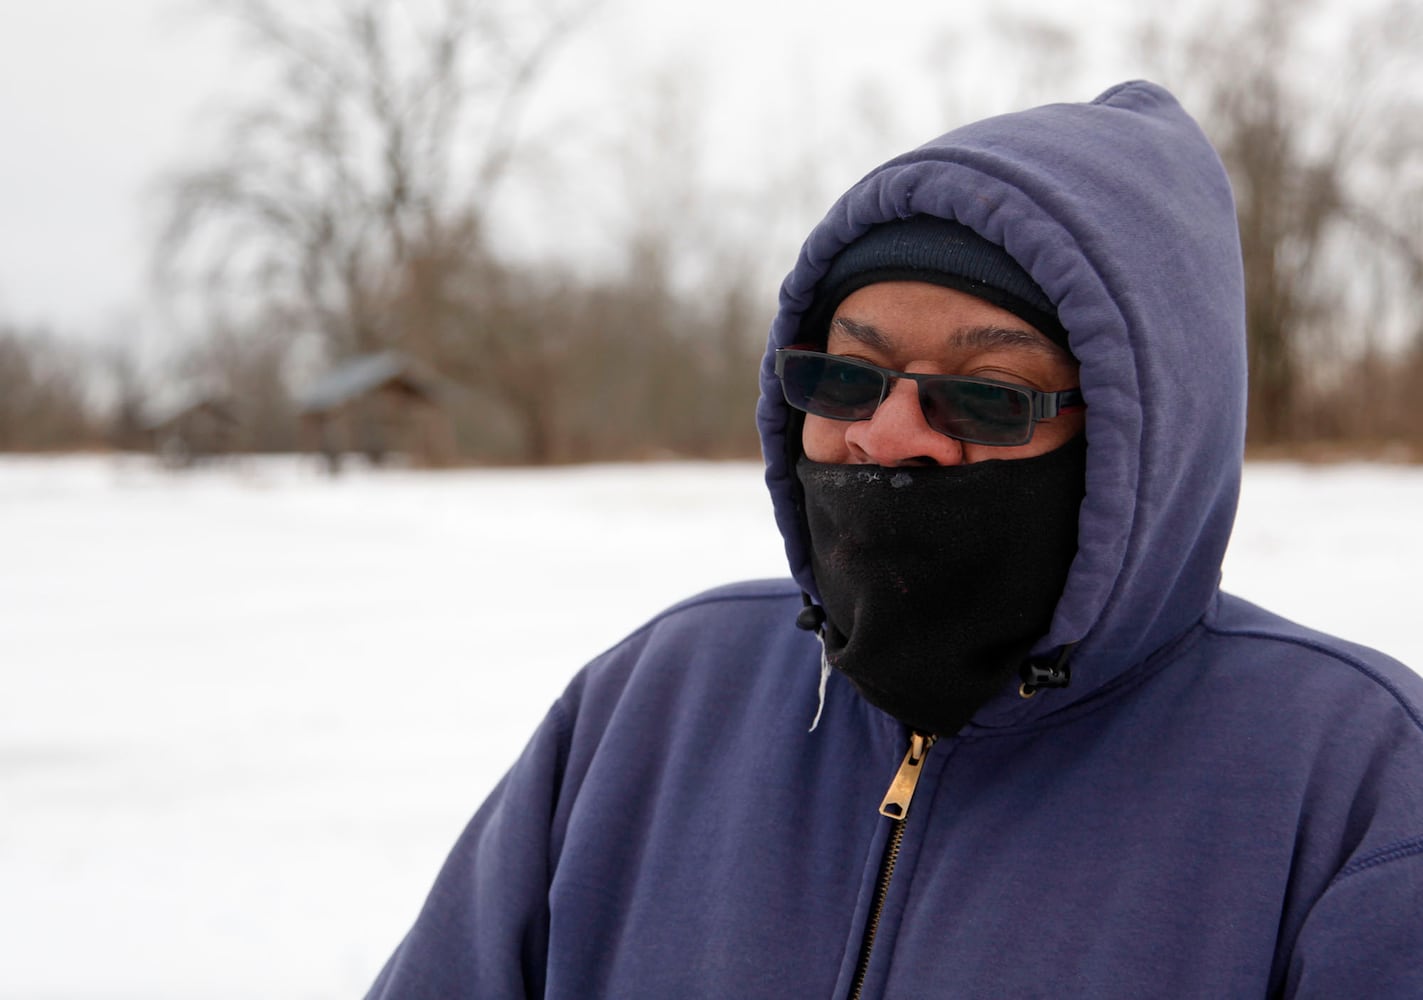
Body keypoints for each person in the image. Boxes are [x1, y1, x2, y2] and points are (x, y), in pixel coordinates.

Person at [364, 80, 1423, 998]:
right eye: (847, 374)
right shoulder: (650, 710)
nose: (888, 433)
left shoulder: (1351, 781)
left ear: (1149, 435)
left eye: (987, 394)